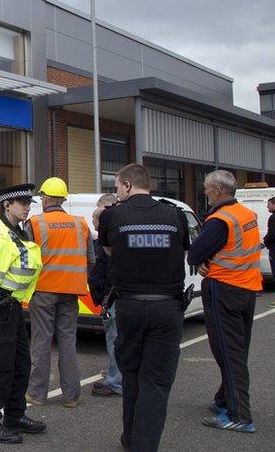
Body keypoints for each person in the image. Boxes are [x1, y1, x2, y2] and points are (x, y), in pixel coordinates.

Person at [98, 164, 188, 451]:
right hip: (167, 308)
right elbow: (183, 250)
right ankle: (143, 444)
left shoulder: (113, 215)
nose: (116, 192)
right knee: (157, 383)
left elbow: (110, 252)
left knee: (132, 378)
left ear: (126, 185)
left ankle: (131, 440)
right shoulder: (175, 214)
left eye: (116, 187)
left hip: (130, 308)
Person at [187, 170, 262, 433]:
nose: (205, 192)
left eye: (207, 188)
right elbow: (240, 248)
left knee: (228, 355)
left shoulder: (219, 220)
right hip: (247, 289)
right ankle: (223, 400)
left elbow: (195, 253)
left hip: (225, 290)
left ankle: (239, 415)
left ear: (218, 191)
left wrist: (203, 261)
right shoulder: (247, 215)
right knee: (236, 351)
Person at [0, 183, 46, 444]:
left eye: (29, 204)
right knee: (0, 367)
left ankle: (14, 415)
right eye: (22, 203)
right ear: (7, 205)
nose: (27, 208)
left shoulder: (16, 230)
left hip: (12, 304)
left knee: (20, 363)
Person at [26, 177, 94, 408]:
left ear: (44, 198)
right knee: (67, 341)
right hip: (71, 291)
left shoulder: (35, 223)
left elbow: (27, 261)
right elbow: (90, 260)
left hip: (43, 290)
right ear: (63, 199)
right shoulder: (81, 224)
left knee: (41, 342)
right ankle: (71, 396)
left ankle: (36, 394)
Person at [89, 193, 123, 398]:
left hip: (113, 297)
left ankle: (116, 381)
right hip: (115, 296)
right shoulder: (115, 236)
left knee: (116, 339)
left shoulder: (110, 240)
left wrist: (102, 297)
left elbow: (104, 271)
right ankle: (116, 374)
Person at [263, 197, 275, 308]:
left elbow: (271, 234)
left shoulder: (272, 218)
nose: (267, 207)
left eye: (269, 204)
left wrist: (265, 241)